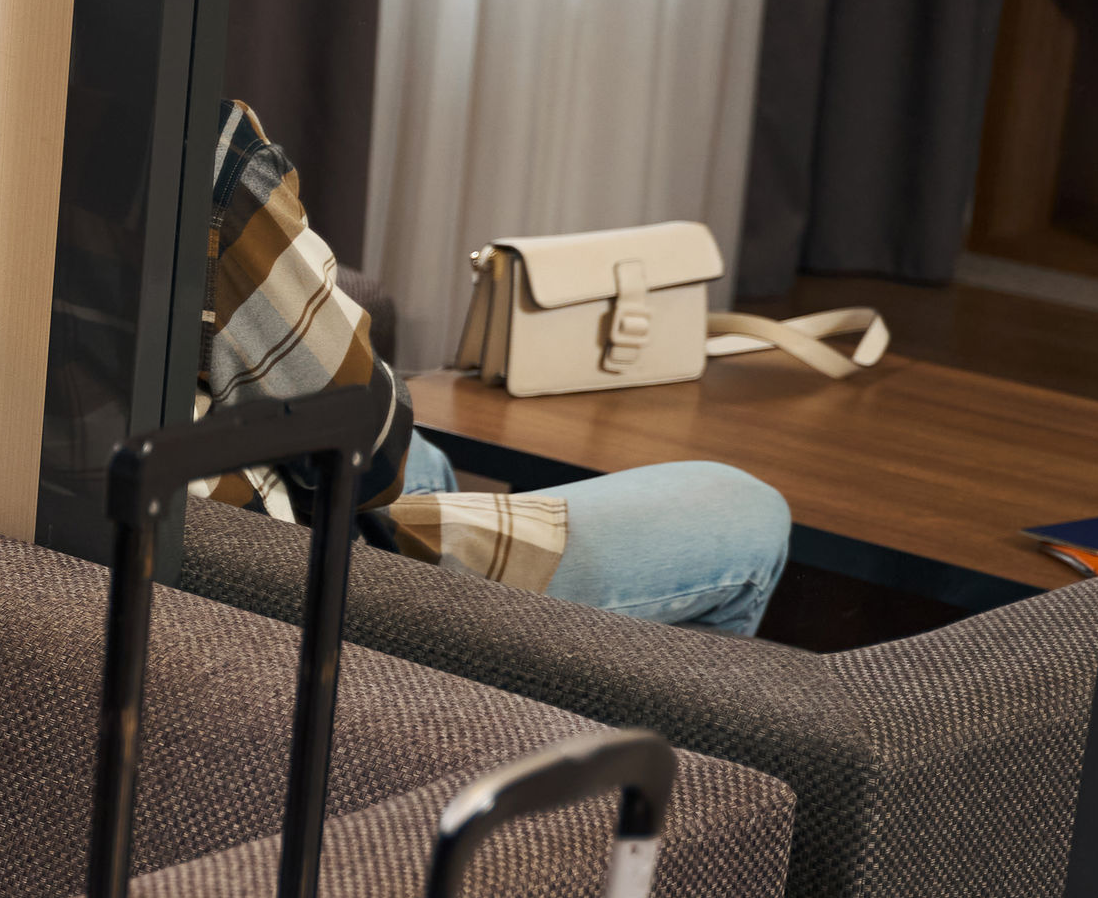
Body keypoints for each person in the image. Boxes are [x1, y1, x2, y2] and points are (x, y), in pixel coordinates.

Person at [197, 101, 791, 635]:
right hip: (287, 569)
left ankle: (501, 663)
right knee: (748, 510)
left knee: (426, 457)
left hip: (188, 518)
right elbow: (366, 448)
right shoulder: (201, 145)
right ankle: (492, 687)